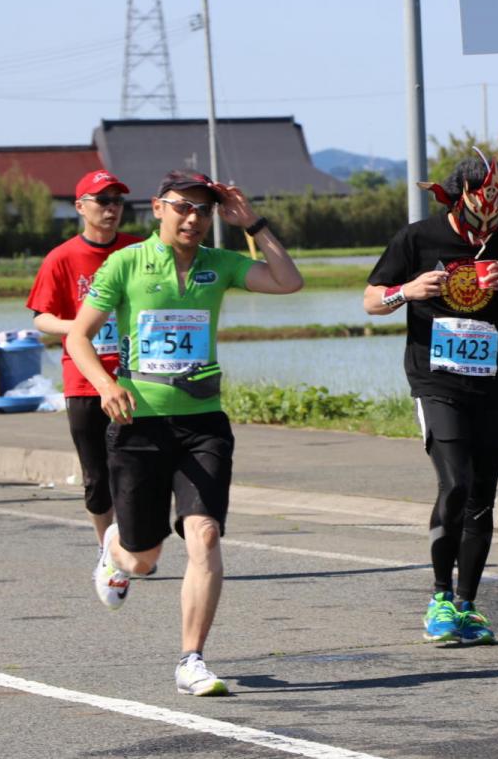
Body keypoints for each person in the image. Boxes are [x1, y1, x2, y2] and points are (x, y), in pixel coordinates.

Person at [70, 170, 303, 696]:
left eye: (204, 210)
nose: (194, 218)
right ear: (158, 208)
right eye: (183, 207)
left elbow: (289, 282)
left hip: (203, 422)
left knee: (205, 534)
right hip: (138, 423)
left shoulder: (218, 265)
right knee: (144, 557)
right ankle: (116, 549)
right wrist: (105, 384)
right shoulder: (126, 263)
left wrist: (254, 223)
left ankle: (191, 659)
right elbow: (80, 338)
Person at [365, 154, 498, 645]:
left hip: (492, 385)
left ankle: (468, 605)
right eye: (476, 215)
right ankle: (439, 596)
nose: (483, 227)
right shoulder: (418, 237)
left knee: (482, 498)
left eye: (494, 215)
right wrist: (407, 289)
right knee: (456, 484)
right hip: (437, 381)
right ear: (457, 200)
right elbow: (370, 300)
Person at [25, 171, 142, 550]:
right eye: (102, 201)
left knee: (136, 470)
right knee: (97, 476)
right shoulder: (62, 258)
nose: (112, 208)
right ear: (80, 207)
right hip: (84, 381)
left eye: (117, 201)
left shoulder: (138, 251)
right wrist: (77, 326)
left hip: (135, 378)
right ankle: (108, 551)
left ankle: (135, 542)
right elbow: (40, 316)